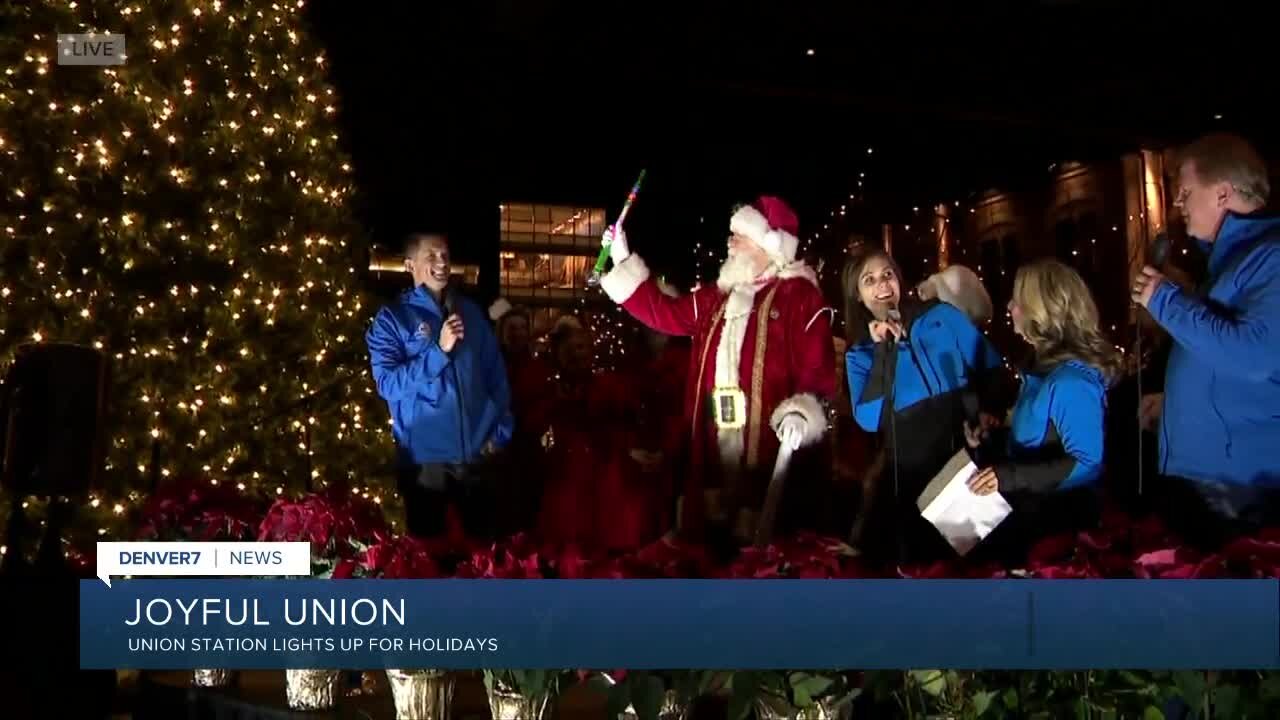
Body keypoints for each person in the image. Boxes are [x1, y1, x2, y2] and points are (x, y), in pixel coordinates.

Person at [596, 196, 836, 545]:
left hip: (770, 446)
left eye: (739, 234)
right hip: (711, 448)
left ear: (769, 244)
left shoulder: (799, 295)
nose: (729, 241)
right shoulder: (715, 298)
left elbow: (817, 367)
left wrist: (802, 411)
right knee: (711, 542)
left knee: (767, 547)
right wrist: (621, 256)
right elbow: (664, 312)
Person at [1131, 132, 1280, 541]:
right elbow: (1220, 363)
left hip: (1239, 484)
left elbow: (1255, 357)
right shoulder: (1232, 262)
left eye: (1184, 193)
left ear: (1222, 193)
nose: (1177, 205)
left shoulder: (1272, 257)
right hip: (1210, 476)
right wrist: (1177, 402)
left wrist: (1165, 300)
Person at [843, 247, 1007, 564]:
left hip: (964, 455)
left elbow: (990, 365)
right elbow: (869, 418)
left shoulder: (942, 316)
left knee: (980, 563)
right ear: (858, 297)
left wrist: (990, 409)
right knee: (928, 569)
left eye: (887, 275)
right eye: (869, 280)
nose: (882, 286)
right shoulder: (859, 354)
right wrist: (882, 352)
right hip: (911, 471)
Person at [965, 260, 1122, 562]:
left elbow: (1087, 463)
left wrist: (1007, 477)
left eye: (1019, 300)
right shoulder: (1038, 371)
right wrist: (991, 436)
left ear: (1044, 309)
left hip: (1058, 538)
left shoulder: (1070, 381)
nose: (1010, 306)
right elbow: (1035, 441)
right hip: (1031, 524)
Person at [366, 232, 513, 540]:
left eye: (445, 255)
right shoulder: (393, 318)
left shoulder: (470, 312)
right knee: (428, 559)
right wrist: (438, 351)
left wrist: (499, 433)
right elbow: (388, 385)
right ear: (410, 265)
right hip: (425, 464)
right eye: (431, 256)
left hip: (476, 458)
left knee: (487, 559)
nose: (441, 262)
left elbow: (496, 376)